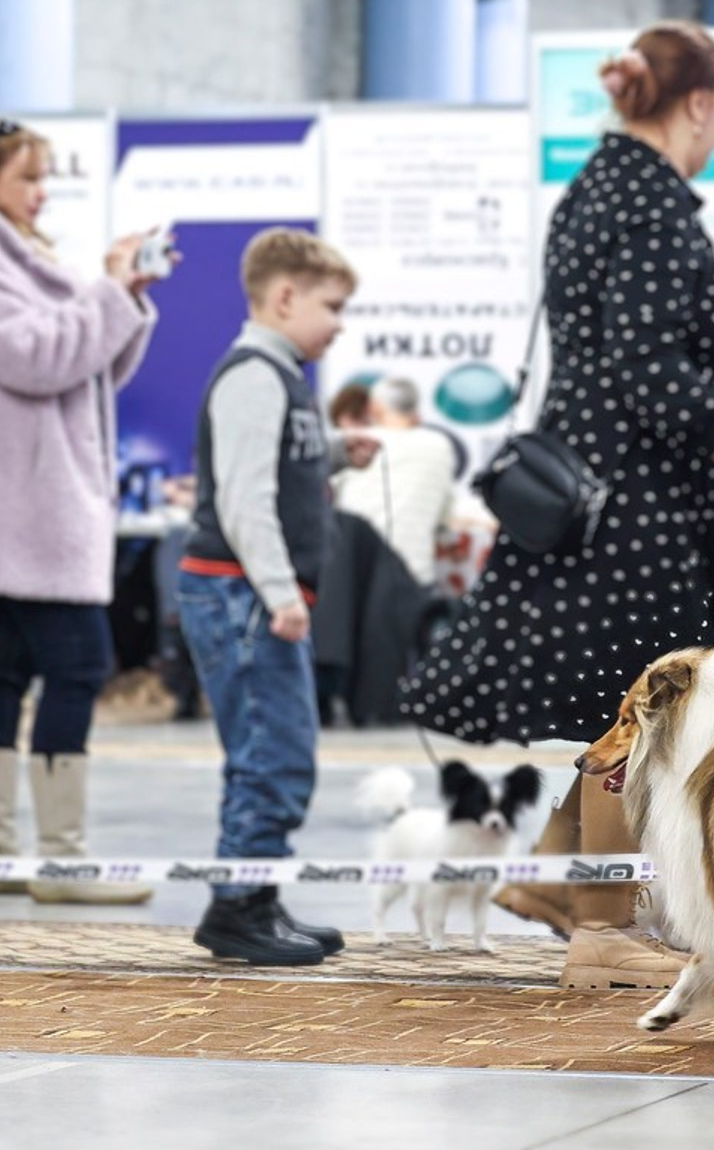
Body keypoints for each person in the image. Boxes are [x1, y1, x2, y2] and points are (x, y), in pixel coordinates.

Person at [398, 21, 714, 988]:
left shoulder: (599, 189)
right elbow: (648, 368)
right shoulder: (648, 204)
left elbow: (640, 362)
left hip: (611, 489)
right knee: (644, 701)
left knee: (626, 697)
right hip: (641, 507)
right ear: (699, 103)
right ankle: (602, 929)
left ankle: (550, 880)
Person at [178, 227, 378, 965]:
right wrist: (278, 591)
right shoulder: (254, 377)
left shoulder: (281, 376)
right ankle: (240, 907)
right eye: (333, 306)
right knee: (274, 753)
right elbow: (244, 500)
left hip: (249, 595)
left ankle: (252, 896)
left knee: (270, 752)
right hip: (242, 596)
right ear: (286, 297)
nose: (340, 323)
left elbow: (276, 462)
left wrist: (334, 452)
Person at [0, 118, 163, 905]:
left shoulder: (29, 262)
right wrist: (106, 293)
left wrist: (123, 295)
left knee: (11, 675)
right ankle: (60, 861)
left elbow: (89, 369)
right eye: (29, 177)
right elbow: (34, 358)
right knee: (77, 665)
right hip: (31, 513)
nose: (42, 193)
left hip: (32, 514)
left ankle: (12, 854)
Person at [332, 375, 456, 587]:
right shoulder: (440, 445)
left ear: (374, 407)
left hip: (355, 576)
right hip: (416, 576)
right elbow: (444, 521)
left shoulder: (352, 444)